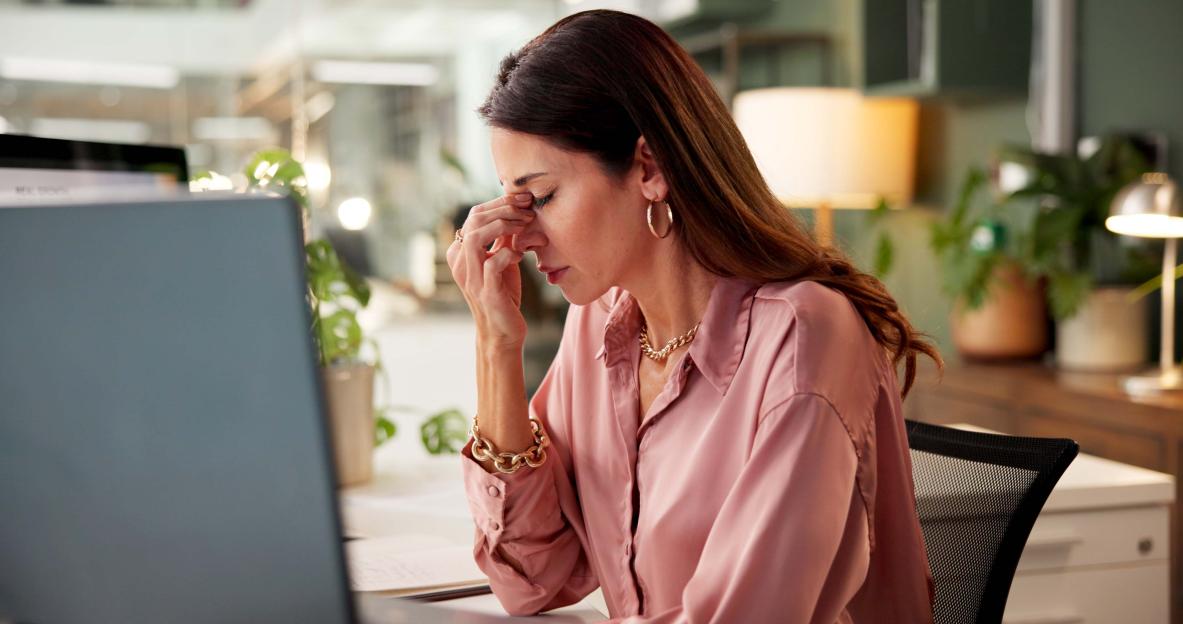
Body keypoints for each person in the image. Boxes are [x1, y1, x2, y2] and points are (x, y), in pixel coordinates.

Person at [445, 9, 941, 623]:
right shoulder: (600, 324)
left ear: (649, 168)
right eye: (513, 200)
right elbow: (533, 582)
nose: (523, 237)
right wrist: (496, 345)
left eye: (541, 197)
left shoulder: (802, 336)